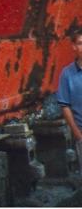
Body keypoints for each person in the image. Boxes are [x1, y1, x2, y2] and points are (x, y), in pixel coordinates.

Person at [57, 28, 82, 172]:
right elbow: (65, 105)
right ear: (74, 47)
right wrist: (77, 133)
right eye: (80, 43)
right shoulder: (67, 74)